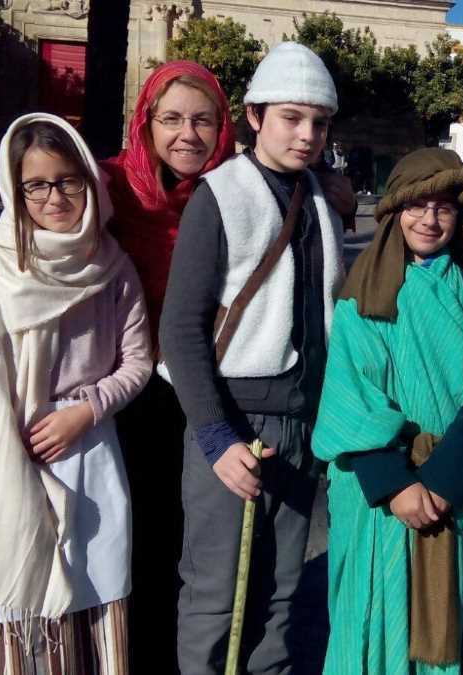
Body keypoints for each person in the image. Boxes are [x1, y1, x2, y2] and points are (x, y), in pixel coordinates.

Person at [0, 113, 152, 674]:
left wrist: (86, 410)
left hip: (79, 450)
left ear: (88, 179)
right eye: (36, 184)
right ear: (15, 190)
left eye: (67, 179)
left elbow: (136, 362)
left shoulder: (112, 266)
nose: (54, 196)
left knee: (82, 598)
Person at [159, 42, 345, 675]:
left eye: (319, 122)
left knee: (282, 594)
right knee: (215, 593)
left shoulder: (320, 198)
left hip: (301, 427)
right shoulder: (220, 196)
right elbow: (180, 327)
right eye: (292, 117)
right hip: (237, 422)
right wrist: (215, 435)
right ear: (255, 116)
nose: (307, 134)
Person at [313, 148, 463, 673]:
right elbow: (350, 397)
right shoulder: (361, 296)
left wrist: (442, 481)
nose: (429, 219)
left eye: (443, 207)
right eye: (416, 206)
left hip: (450, 489)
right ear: (395, 212)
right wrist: (396, 485)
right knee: (373, 619)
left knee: (447, 619)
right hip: (379, 494)